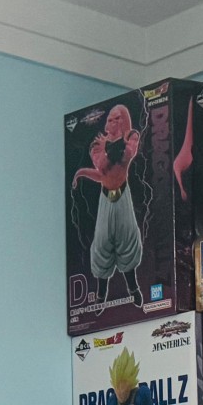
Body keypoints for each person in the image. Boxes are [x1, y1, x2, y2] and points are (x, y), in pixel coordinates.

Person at [73, 102, 146, 308]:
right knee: (102, 244)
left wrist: (114, 147)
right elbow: (103, 168)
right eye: (110, 119)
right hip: (106, 198)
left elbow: (127, 154)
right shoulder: (98, 143)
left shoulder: (132, 135)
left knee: (127, 239)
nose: (113, 122)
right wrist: (82, 171)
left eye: (118, 118)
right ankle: (101, 293)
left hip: (123, 195)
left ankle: (133, 288)